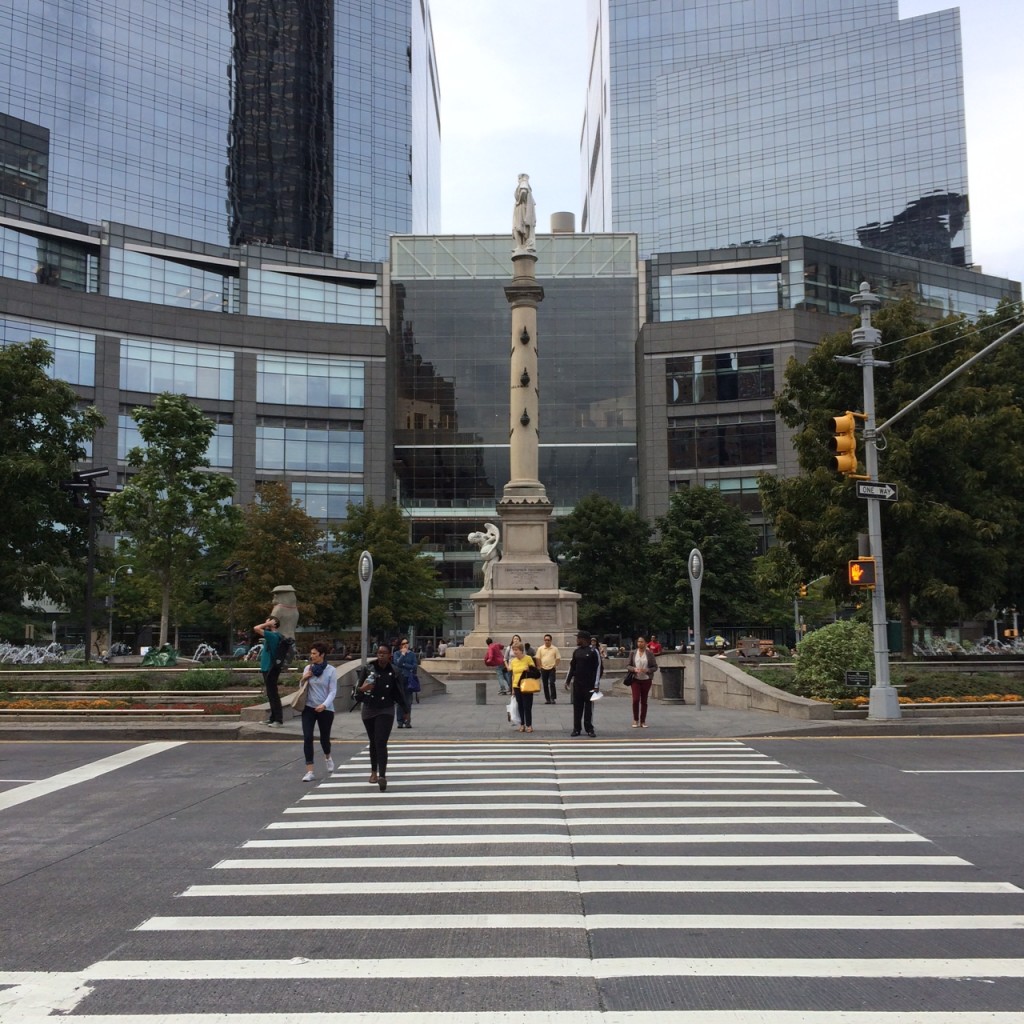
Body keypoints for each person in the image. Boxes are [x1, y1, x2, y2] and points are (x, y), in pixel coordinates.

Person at [356, 644, 409, 791]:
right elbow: (356, 694)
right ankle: (373, 771)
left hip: (386, 708)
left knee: (381, 741)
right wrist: (362, 689)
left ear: (389, 655)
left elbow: (399, 692)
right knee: (373, 741)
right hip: (369, 708)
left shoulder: (394, 671)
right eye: (379, 653)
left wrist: (405, 709)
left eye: (384, 653)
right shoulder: (368, 669)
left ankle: (382, 776)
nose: (381, 655)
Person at [299, 642, 338, 781]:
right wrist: (304, 678)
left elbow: (333, 691)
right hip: (309, 708)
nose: (312, 656)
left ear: (322, 655)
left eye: (314, 653)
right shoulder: (308, 668)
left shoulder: (331, 670)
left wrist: (324, 705)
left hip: (325, 709)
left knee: (324, 738)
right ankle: (310, 771)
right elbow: (302, 687)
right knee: (307, 737)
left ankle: (328, 756)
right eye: (311, 653)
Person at [565, 629, 600, 737]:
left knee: (589, 707)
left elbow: (598, 668)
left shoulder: (593, 651)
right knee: (577, 707)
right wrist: (567, 680)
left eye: (578, 638)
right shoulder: (576, 651)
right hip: (578, 684)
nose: (577, 640)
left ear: (584, 639)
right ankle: (576, 728)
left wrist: (596, 684)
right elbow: (572, 667)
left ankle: (589, 728)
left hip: (589, 684)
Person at [254, 615, 283, 726]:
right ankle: (273, 718)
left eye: (268, 622)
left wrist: (268, 624)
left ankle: (278, 720)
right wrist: (269, 623)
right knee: (271, 694)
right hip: (268, 668)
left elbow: (256, 628)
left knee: (273, 694)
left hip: (270, 668)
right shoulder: (273, 635)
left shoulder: (273, 635)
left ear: (273, 624)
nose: (265, 624)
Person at [626, 635, 659, 729]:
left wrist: (647, 670)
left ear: (645, 643)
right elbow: (628, 665)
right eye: (638, 642)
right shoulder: (633, 653)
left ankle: (643, 721)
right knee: (636, 699)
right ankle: (635, 719)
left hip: (646, 679)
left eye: (642, 642)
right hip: (635, 679)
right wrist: (634, 669)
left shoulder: (649, 654)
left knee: (644, 701)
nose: (639, 643)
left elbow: (655, 667)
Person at [508, 639, 539, 733]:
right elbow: (513, 675)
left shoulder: (528, 658)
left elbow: (535, 672)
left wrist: (528, 670)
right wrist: (512, 689)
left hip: (526, 686)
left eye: (516, 650)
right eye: (513, 650)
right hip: (516, 686)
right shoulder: (513, 661)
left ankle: (529, 725)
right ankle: (522, 724)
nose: (515, 652)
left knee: (527, 706)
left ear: (521, 650)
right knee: (520, 706)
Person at [393, 638, 419, 728]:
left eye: (407, 643)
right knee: (400, 701)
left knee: (408, 701)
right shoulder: (397, 653)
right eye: (403, 643)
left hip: (409, 679)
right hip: (400, 679)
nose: (405, 645)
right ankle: (400, 721)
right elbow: (397, 664)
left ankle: (407, 721)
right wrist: (403, 655)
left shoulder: (412, 654)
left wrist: (404, 665)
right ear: (400, 645)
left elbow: (414, 666)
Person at [537, 633, 560, 704]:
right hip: (543, 668)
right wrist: (539, 666)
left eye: (548, 640)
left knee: (552, 682)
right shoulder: (540, 648)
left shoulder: (555, 649)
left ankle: (553, 698)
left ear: (551, 640)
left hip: (552, 668)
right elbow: (538, 658)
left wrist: (555, 665)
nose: (547, 641)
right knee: (545, 684)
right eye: (545, 640)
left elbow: (558, 658)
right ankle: (547, 699)